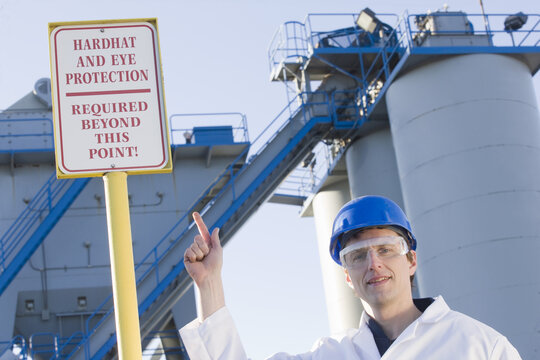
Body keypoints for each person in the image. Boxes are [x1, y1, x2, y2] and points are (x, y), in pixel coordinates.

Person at [179, 195, 521, 359]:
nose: (374, 264)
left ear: (411, 259)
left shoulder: (479, 346)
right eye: (357, 256)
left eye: (386, 249)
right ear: (347, 276)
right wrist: (210, 283)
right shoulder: (332, 354)